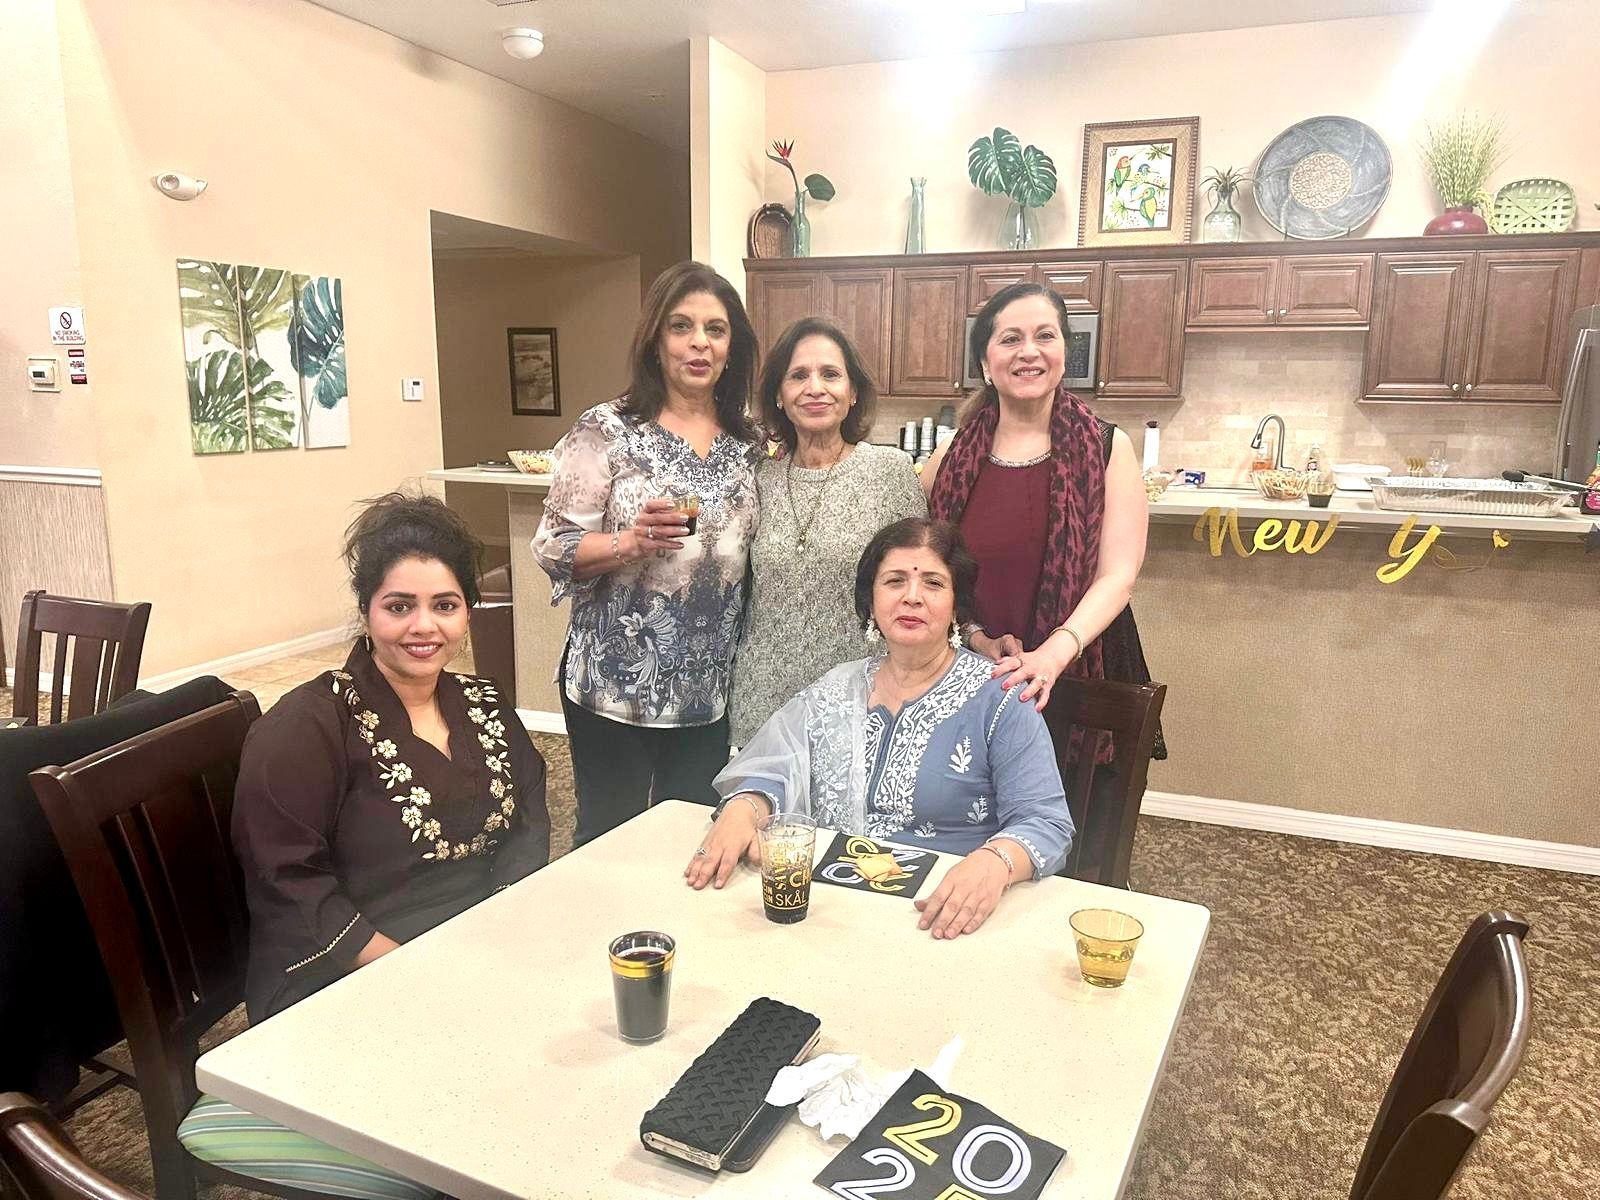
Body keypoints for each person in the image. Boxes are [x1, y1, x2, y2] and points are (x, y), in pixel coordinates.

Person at [233, 493, 550, 1022]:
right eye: (399, 606)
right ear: (365, 611)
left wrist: (501, 925)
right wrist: (410, 972)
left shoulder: (484, 703)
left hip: (472, 937)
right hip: (346, 966)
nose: (424, 626)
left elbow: (530, 819)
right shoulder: (305, 727)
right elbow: (285, 878)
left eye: (444, 606)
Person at [686, 518, 1072, 941]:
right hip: (829, 915)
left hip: (943, 917)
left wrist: (995, 862)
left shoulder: (1000, 699)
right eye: (894, 581)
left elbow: (1045, 822)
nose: (912, 597)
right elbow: (774, 767)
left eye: (933, 584)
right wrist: (745, 808)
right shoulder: (838, 688)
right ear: (870, 601)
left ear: (957, 607)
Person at [533, 262, 761, 846]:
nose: (699, 343)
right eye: (681, 327)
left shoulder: (750, 441)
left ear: (732, 346)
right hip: (613, 687)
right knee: (611, 842)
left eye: (716, 329)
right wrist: (626, 543)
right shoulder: (607, 429)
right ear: (656, 341)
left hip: (707, 693)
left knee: (690, 837)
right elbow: (552, 545)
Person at [922, 282, 1159, 769]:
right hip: (971, 677)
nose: (1028, 351)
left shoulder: (1109, 450)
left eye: (1044, 336)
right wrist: (975, 638)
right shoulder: (949, 459)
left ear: (1063, 354)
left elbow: (1118, 578)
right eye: (1010, 339)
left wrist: (1051, 656)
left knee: (1063, 834)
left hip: (1073, 684)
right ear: (986, 364)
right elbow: (932, 570)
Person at [729, 316, 926, 746]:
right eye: (798, 375)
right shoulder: (759, 478)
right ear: (779, 396)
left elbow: (916, 587)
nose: (814, 387)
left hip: (860, 697)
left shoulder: (887, 473)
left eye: (830, 374)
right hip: (763, 703)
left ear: (853, 392)